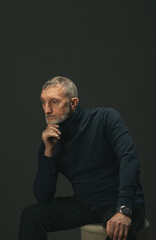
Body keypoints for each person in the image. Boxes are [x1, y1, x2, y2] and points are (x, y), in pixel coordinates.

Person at [19, 76, 145, 240]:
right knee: (31, 216)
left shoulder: (105, 119)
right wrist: (48, 153)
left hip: (119, 201)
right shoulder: (51, 141)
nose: (47, 110)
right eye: (43, 102)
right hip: (84, 204)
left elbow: (130, 159)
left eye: (54, 102)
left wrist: (124, 209)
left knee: (120, 235)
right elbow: (43, 197)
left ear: (73, 103)